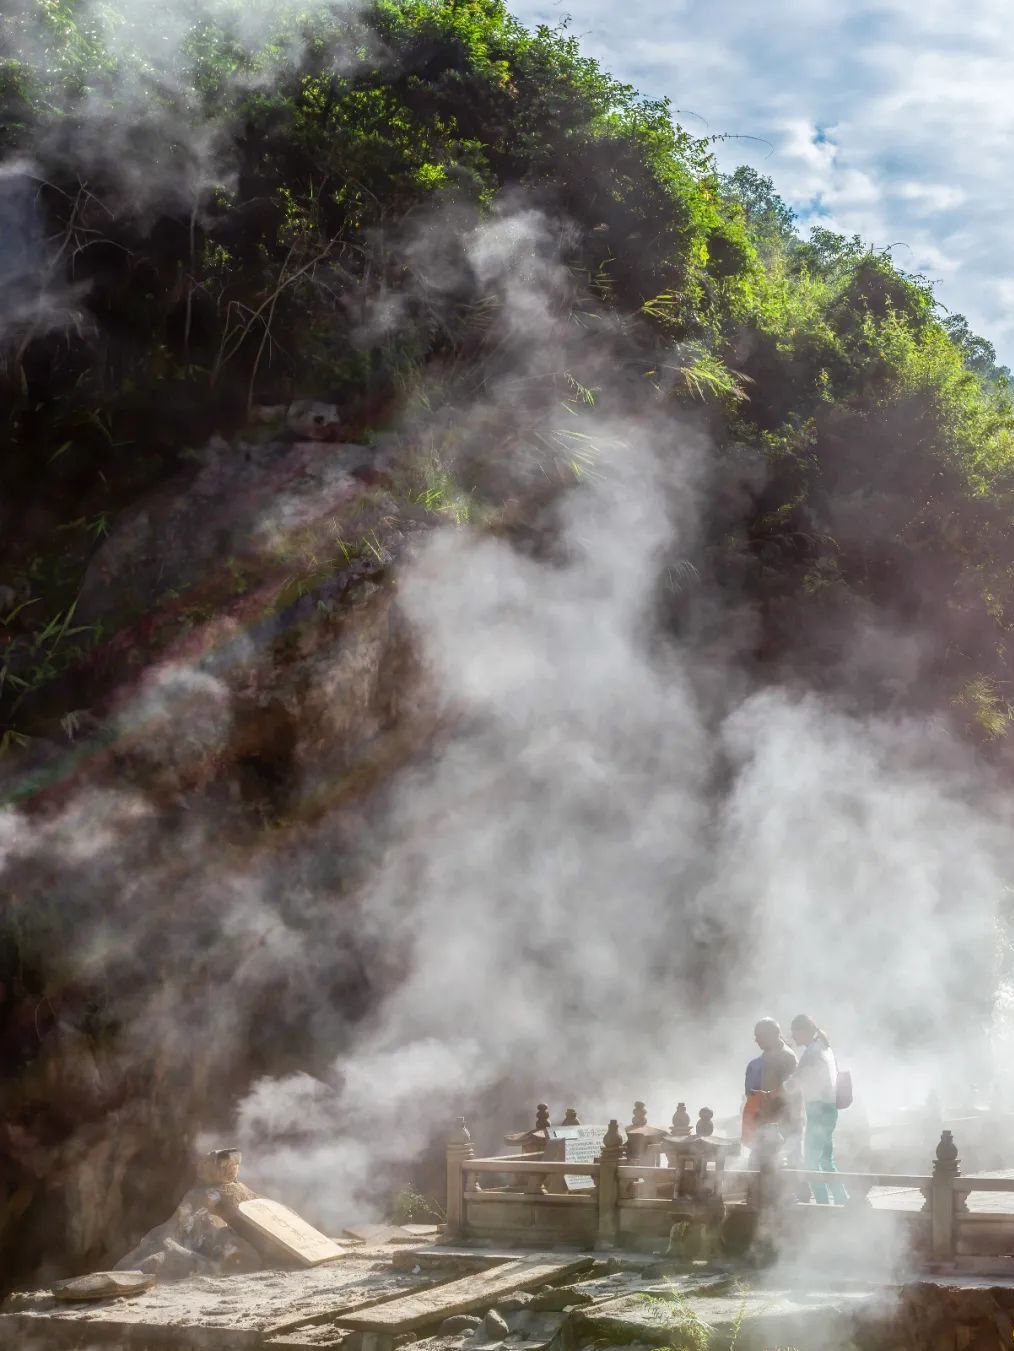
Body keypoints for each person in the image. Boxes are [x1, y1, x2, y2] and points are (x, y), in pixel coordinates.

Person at [785, 1013, 848, 1205]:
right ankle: (841, 1199)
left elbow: (794, 1082)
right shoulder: (825, 1047)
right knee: (827, 1160)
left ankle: (822, 1203)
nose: (794, 1038)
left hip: (818, 1109)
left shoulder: (812, 1051)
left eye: (795, 1033)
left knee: (811, 1162)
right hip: (830, 1109)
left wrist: (772, 1093)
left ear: (804, 1030)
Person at [742, 1018, 798, 1165]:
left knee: (775, 1166)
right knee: (757, 1164)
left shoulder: (786, 1057)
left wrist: (771, 1106)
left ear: (770, 1034)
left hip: (780, 1123)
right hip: (764, 1120)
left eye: (758, 1035)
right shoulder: (763, 1059)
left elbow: (790, 1090)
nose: (756, 1040)